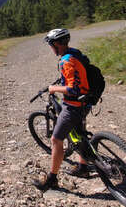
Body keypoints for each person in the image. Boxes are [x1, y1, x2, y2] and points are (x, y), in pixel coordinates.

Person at [33, 28, 91, 191]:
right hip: (86, 102)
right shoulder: (75, 53)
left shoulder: (65, 61)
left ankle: (52, 179)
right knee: (80, 134)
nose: (51, 48)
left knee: (56, 140)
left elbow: (73, 89)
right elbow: (79, 74)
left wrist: (54, 88)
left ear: (57, 44)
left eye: (51, 45)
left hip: (74, 105)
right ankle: (83, 167)